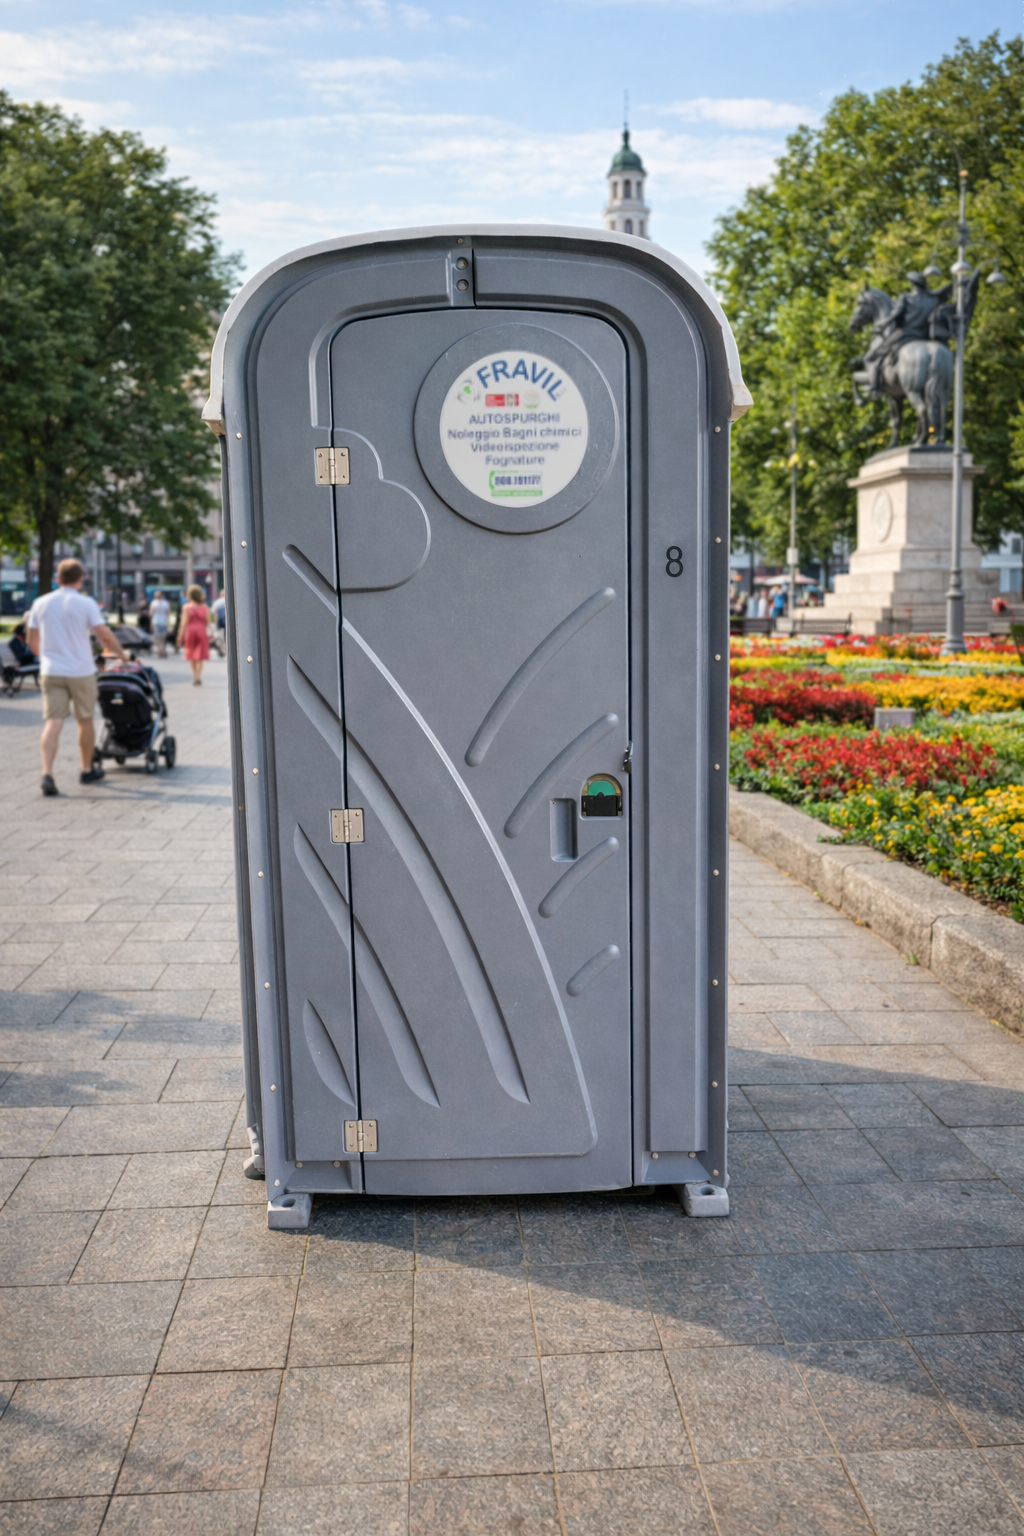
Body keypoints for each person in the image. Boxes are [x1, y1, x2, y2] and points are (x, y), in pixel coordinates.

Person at [26, 558, 129, 796]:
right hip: (81, 671)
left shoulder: (40, 603)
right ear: (81, 579)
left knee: (53, 722)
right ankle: (86, 769)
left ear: (57, 579)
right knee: (85, 720)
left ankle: (47, 773)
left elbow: (32, 641)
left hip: (51, 671)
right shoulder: (86, 603)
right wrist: (122, 655)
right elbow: (104, 636)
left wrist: (48, 657)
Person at [177, 583, 211, 685]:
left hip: (190, 631)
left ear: (190, 595)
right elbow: (208, 622)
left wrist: (180, 636)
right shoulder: (205, 607)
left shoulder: (186, 607)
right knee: (200, 656)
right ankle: (198, 677)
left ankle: (195, 676)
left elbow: (183, 623)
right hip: (201, 631)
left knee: (192, 655)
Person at [151, 590, 170, 656]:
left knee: (158, 637)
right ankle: (162, 650)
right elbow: (167, 614)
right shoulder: (166, 603)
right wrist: (168, 622)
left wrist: (151, 623)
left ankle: (160, 650)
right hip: (163, 622)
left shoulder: (154, 603)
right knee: (162, 638)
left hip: (156, 622)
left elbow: (151, 613)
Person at [212, 588, 227, 657]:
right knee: (227, 636)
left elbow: (213, 612)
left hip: (219, 622)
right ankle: (225, 649)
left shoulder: (217, 602)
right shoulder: (228, 601)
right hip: (227, 623)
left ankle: (220, 648)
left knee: (220, 636)